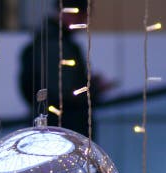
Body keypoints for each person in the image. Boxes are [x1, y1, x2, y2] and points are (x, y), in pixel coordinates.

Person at [18, 0, 112, 138]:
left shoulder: (48, 43)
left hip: (54, 129)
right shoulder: (56, 46)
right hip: (64, 130)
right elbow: (63, 92)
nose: (85, 22)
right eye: (83, 16)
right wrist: (93, 89)